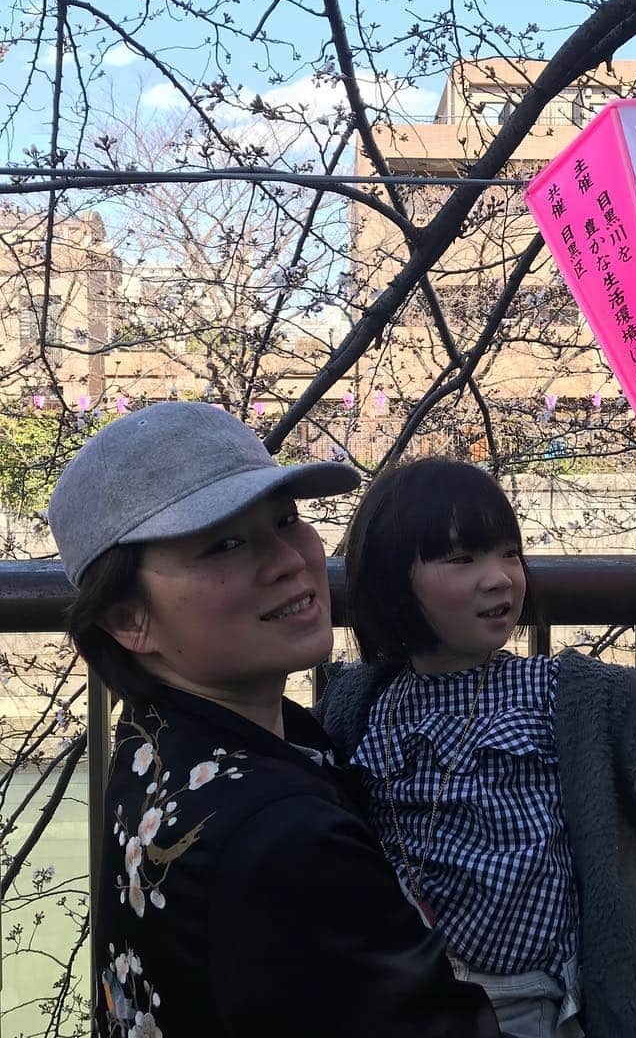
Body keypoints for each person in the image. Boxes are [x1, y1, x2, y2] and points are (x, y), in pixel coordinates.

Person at [47, 404, 499, 1038]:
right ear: (127, 619)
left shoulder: (152, 746)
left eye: (287, 519)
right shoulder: (281, 834)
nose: (290, 558)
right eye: (224, 543)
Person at [316, 457, 636, 1038]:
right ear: (389, 580)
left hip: (532, 1005)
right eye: (462, 559)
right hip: (394, 998)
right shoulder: (360, 702)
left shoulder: (564, 693)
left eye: (509, 553)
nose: (500, 577)